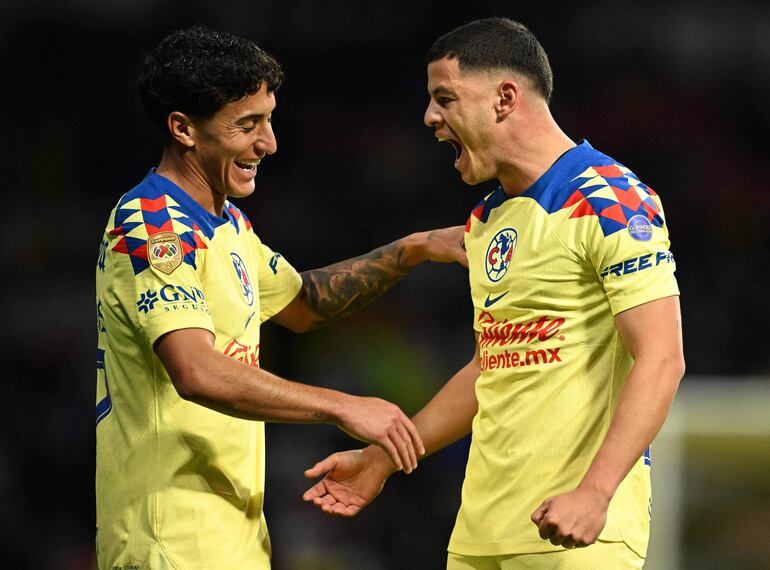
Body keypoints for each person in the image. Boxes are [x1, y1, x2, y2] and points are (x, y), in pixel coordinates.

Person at [303, 17, 685, 569]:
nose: (430, 118)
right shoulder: (488, 219)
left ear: (505, 98)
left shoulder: (611, 198)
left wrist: (595, 493)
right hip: (480, 532)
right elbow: (494, 366)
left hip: (575, 531)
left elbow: (662, 357)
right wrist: (384, 459)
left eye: (445, 98)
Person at [94, 25, 466, 570]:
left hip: (233, 535)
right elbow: (195, 369)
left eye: (268, 119)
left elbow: (305, 302)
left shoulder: (227, 224)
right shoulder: (152, 224)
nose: (268, 143)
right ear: (183, 128)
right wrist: (341, 405)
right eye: (247, 125)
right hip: (170, 540)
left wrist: (415, 248)